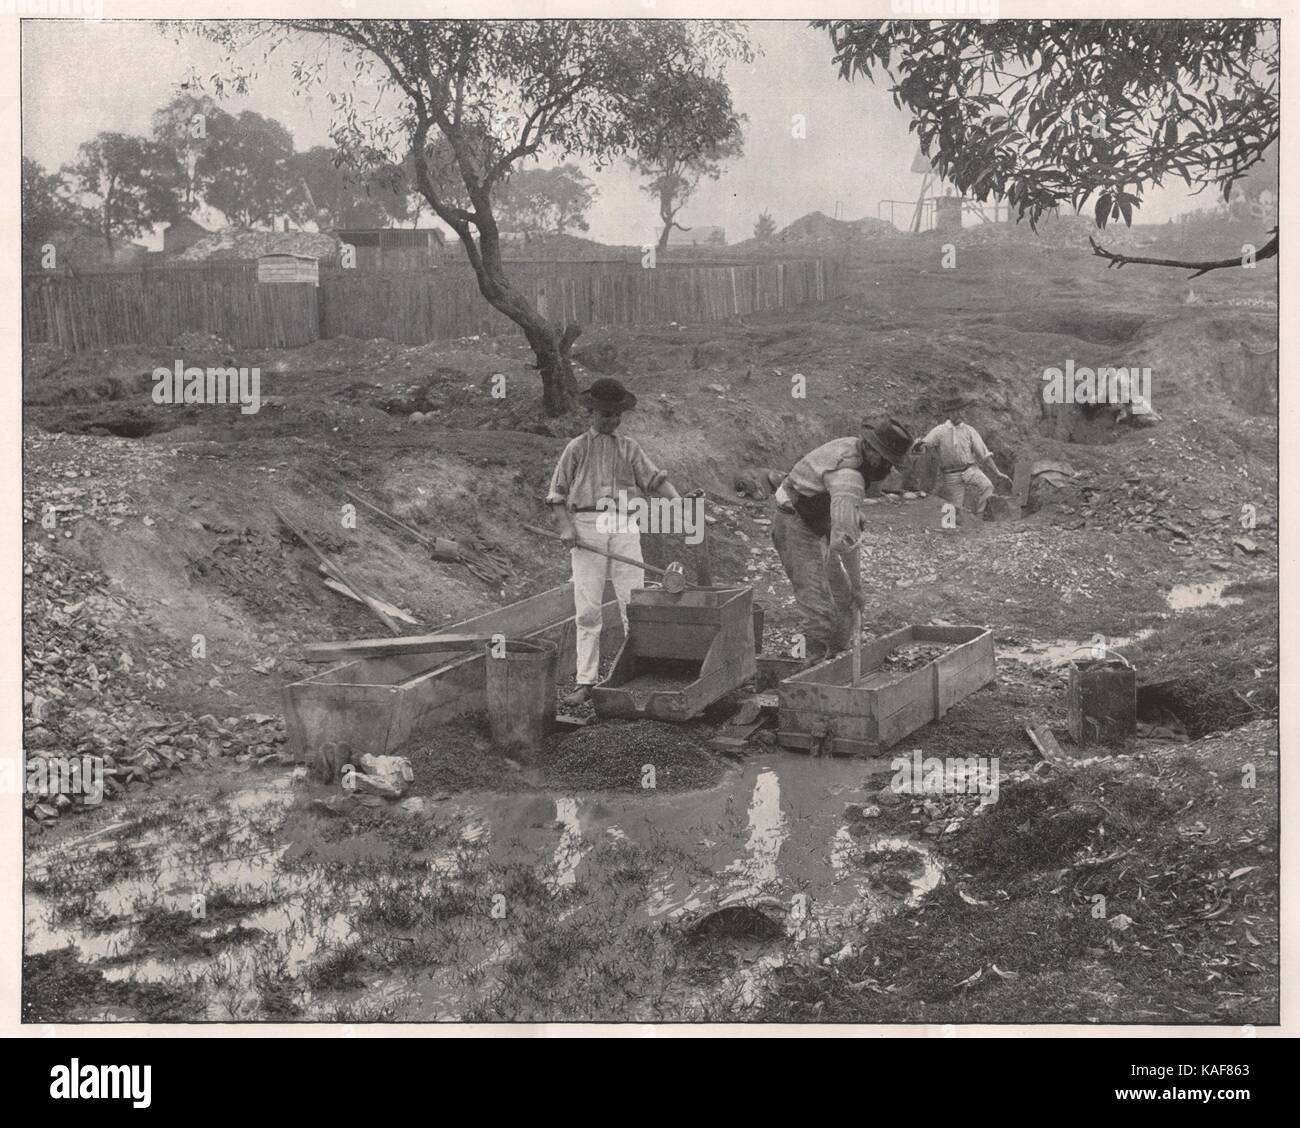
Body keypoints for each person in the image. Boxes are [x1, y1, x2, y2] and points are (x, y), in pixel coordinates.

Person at [546, 378, 684, 706]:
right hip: (587, 525)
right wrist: (567, 527)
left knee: (633, 602)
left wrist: (680, 502)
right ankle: (586, 682)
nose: (611, 420)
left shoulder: (629, 447)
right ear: (591, 413)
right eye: (605, 414)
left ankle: (641, 673)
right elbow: (557, 495)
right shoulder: (577, 448)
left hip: (623, 524)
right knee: (589, 608)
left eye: (616, 415)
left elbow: (655, 481)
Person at [772, 417, 916, 663]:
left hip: (818, 516)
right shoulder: (848, 476)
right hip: (795, 521)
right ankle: (808, 674)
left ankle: (833, 661)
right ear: (872, 450)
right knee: (818, 608)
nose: (887, 469)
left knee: (845, 601)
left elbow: (843, 522)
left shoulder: (855, 449)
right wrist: (858, 586)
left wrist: (852, 590)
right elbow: (845, 544)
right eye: (886, 461)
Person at [916, 411, 1011, 522]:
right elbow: (925, 445)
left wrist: (997, 472)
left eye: (961, 412)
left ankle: (979, 518)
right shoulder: (939, 431)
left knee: (987, 486)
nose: (958, 414)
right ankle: (957, 527)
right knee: (954, 512)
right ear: (949, 414)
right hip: (951, 475)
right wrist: (919, 445)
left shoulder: (969, 430)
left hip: (970, 470)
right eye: (955, 412)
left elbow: (984, 454)